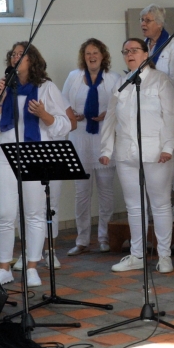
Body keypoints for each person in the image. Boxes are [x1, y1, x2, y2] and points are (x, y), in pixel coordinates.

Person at [0, 42, 71, 288]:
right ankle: (4, 268)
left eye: (21, 54)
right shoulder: (3, 87)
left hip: (35, 153)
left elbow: (65, 125)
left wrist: (44, 115)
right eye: (13, 54)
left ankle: (32, 267)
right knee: (5, 214)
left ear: (32, 60)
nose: (16, 57)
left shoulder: (46, 88)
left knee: (34, 213)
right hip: (6, 155)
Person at [99, 38, 174, 273]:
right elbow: (110, 118)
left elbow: (172, 116)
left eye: (134, 50)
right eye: (125, 51)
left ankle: (164, 255)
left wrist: (169, 147)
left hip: (157, 152)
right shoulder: (122, 83)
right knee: (134, 207)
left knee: (160, 205)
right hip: (126, 152)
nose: (129, 54)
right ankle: (137, 255)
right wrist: (106, 149)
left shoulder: (160, 81)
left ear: (146, 54)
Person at [62, 39, 123, 256]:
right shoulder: (74, 77)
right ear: (83, 57)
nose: (92, 56)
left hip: (104, 138)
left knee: (106, 192)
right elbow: (63, 104)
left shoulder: (114, 78)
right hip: (80, 138)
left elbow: (122, 105)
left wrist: (109, 114)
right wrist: (73, 115)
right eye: (88, 53)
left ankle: (104, 238)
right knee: (81, 193)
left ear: (103, 55)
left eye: (95, 52)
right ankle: (82, 240)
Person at [140, 4, 174, 223]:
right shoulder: (142, 45)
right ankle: (158, 203)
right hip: (148, 108)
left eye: (147, 20)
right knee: (152, 155)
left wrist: (153, 74)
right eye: (142, 20)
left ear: (159, 24)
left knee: (173, 157)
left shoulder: (173, 46)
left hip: (168, 105)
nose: (143, 24)